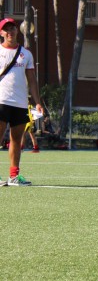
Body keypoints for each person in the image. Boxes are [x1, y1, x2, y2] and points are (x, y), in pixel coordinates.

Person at [0, 17, 43, 186]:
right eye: (6, 29)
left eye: (12, 28)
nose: (10, 32)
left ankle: (13, 176)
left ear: (17, 31)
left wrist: (37, 101)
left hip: (20, 103)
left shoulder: (26, 54)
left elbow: (32, 80)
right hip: (1, 100)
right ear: (1, 33)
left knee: (17, 140)